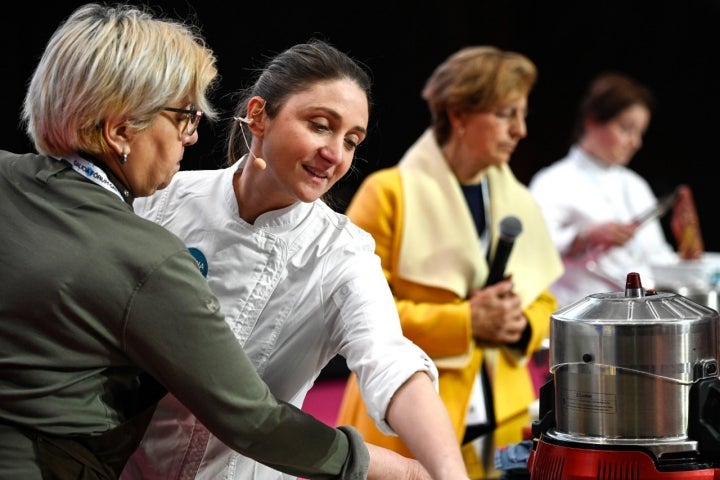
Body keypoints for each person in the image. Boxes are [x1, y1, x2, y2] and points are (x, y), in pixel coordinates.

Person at [0, 5, 433, 479]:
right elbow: (251, 419)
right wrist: (410, 473)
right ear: (121, 130)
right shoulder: (150, 247)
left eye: (352, 140)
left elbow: (387, 357)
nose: (192, 135)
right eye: (184, 115)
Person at [121, 39, 470, 480]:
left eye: (351, 140)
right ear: (259, 115)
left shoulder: (342, 254)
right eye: (320, 125)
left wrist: (449, 474)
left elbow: (388, 359)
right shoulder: (165, 200)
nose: (336, 154)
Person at [335, 46, 564, 479]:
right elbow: (352, 315)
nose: (520, 130)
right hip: (403, 418)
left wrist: (521, 325)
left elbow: (544, 299)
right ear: (459, 114)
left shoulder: (518, 199)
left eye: (522, 115)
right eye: (505, 114)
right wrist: (465, 321)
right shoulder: (388, 194)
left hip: (505, 414)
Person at [528, 72, 703, 308]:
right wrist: (584, 237)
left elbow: (655, 259)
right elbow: (533, 252)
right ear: (591, 121)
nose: (635, 142)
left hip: (641, 316)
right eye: (626, 128)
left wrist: (686, 257)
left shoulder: (636, 185)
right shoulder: (553, 182)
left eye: (640, 132)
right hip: (580, 317)